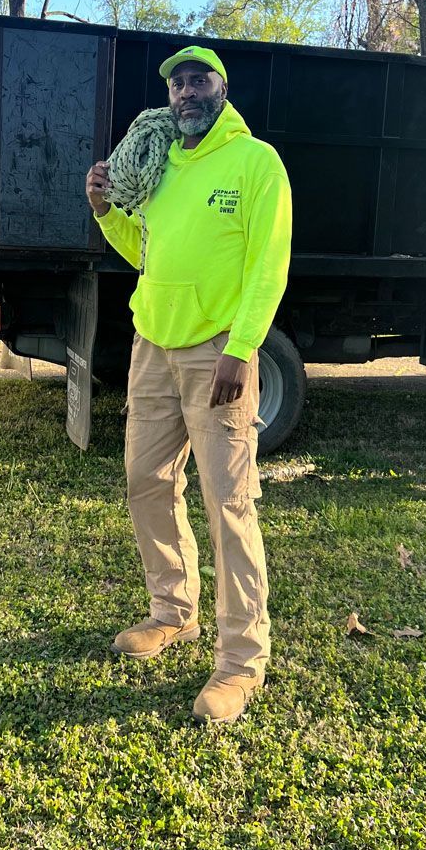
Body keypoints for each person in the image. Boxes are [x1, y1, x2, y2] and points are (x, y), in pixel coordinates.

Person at [85, 45, 292, 724]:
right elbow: (144, 251)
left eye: (198, 79)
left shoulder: (256, 162)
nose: (186, 92)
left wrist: (242, 347)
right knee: (146, 478)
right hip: (154, 344)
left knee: (227, 500)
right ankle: (173, 611)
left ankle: (241, 662)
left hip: (217, 351)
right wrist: (105, 211)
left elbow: (269, 265)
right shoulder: (163, 166)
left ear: (222, 88)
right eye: (176, 82)